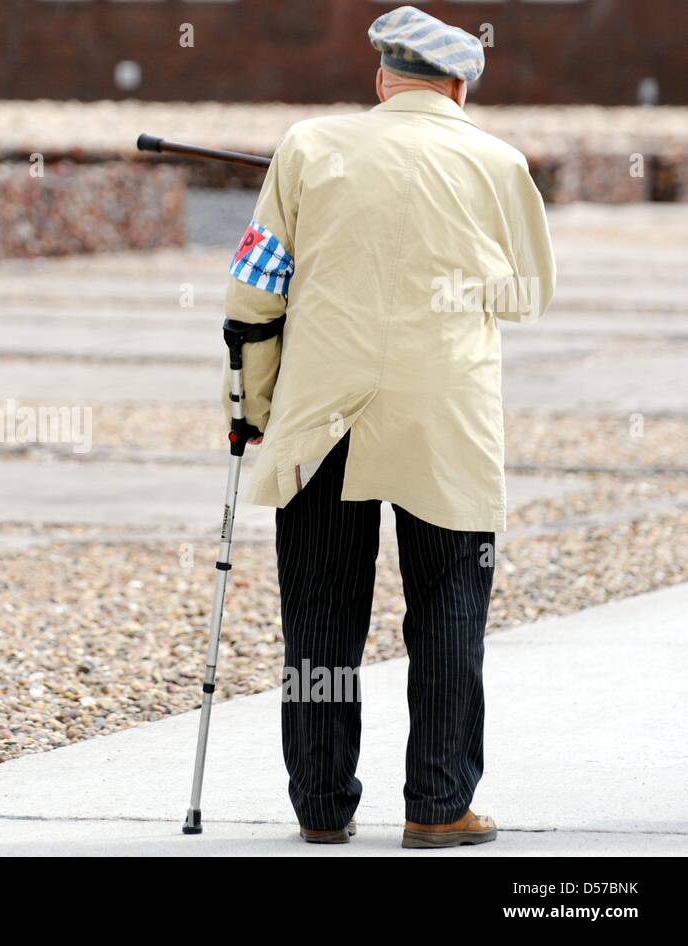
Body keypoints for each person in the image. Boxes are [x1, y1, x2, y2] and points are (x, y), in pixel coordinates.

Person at [222, 5, 554, 848]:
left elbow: (254, 291)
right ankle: (439, 806)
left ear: (381, 79)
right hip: (446, 419)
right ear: (460, 87)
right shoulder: (500, 163)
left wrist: (257, 409)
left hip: (323, 415)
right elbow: (527, 296)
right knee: (449, 605)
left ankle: (323, 808)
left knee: (323, 613)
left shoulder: (306, 147)